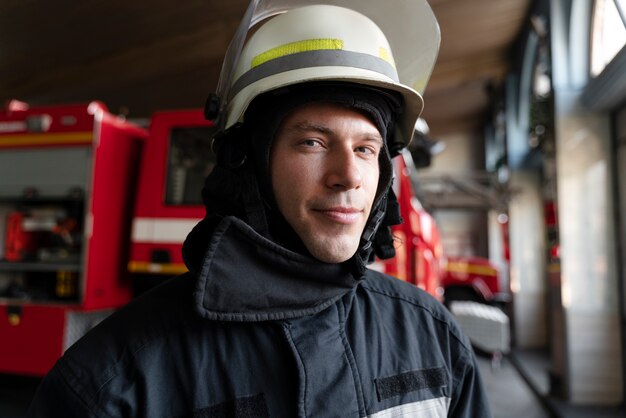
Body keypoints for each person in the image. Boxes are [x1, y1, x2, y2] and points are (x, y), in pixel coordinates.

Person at [26, 1, 492, 417]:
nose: (348, 175)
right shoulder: (116, 381)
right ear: (249, 160)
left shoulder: (434, 339)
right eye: (313, 142)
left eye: (367, 149)